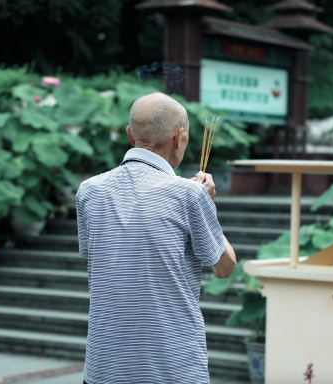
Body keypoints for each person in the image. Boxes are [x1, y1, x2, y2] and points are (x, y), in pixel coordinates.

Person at [76, 92, 237, 384]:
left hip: (104, 369)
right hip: (172, 369)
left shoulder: (89, 191)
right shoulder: (190, 195)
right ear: (177, 138)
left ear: (130, 135)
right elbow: (225, 267)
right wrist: (207, 205)